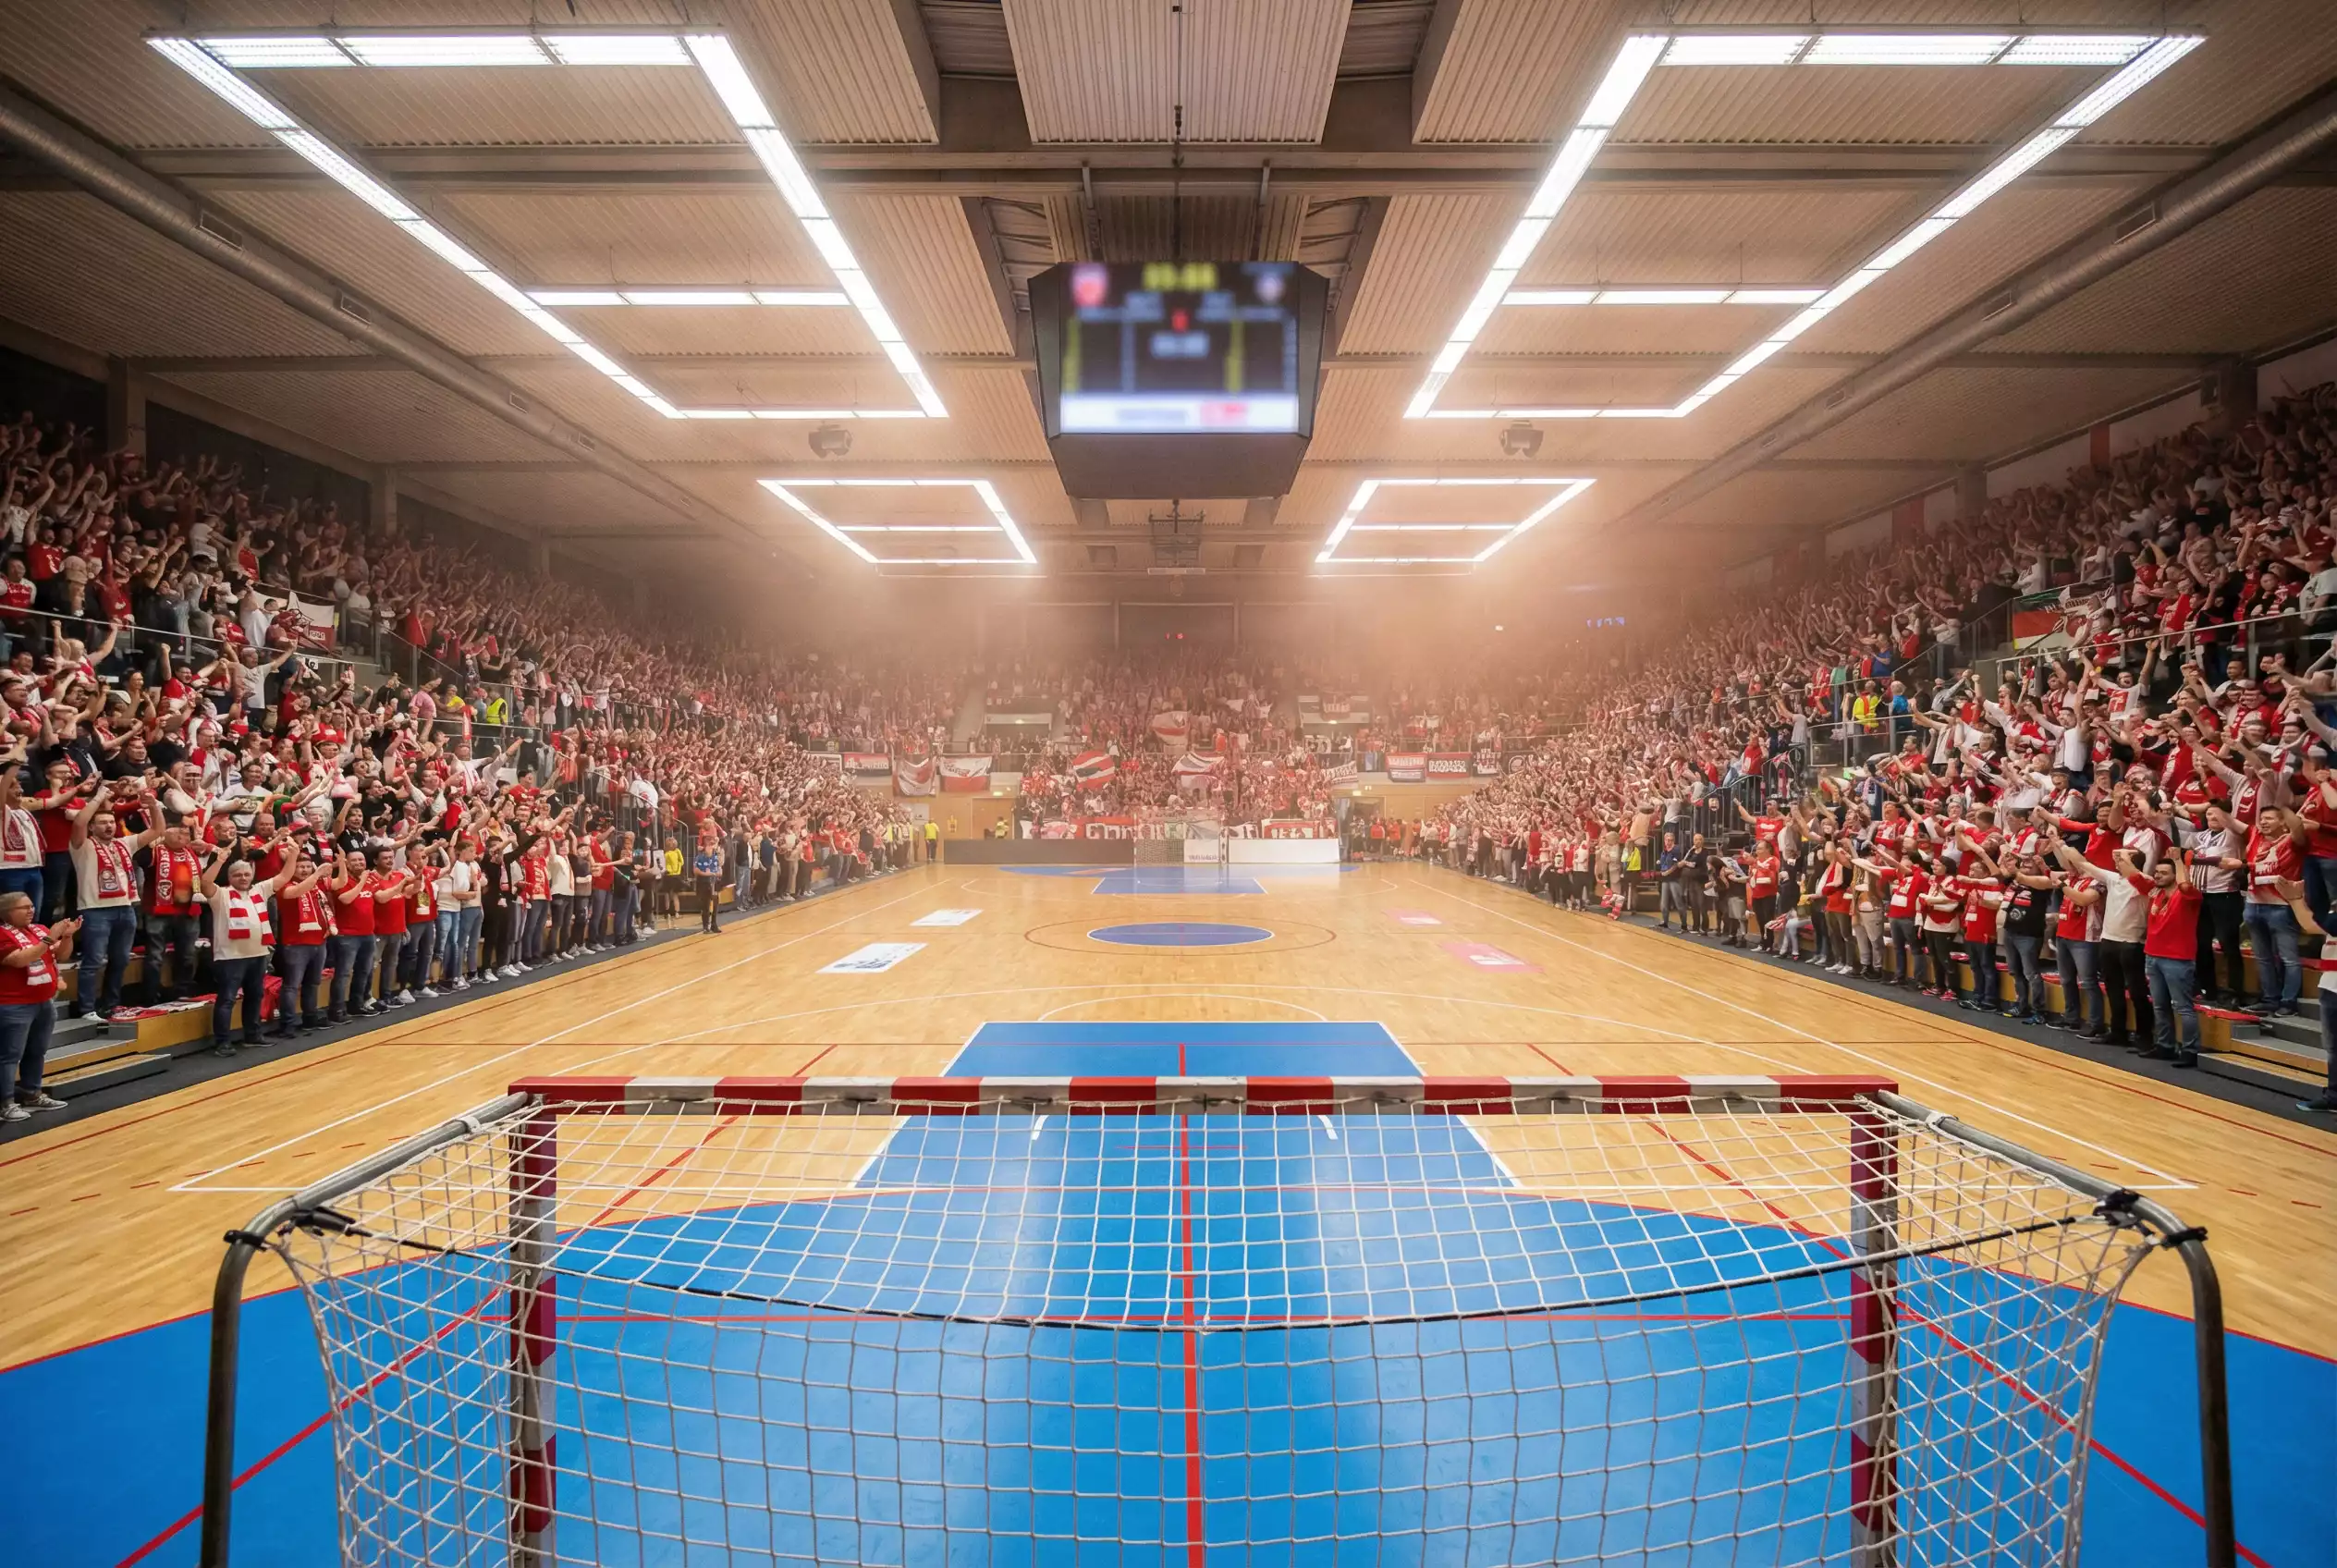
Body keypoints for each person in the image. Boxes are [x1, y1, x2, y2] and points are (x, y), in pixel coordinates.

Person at [0, 891, 76, 1120]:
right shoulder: (3, 934)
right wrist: (49, 939)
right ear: (7, 912)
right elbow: (19, 960)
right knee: (9, 1055)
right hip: (14, 1005)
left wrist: (68, 937)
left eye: (32, 906)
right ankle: (6, 1104)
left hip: (44, 1001)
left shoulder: (40, 930)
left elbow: (60, 956)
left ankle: (33, 1094)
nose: (31, 910)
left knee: (37, 1051)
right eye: (24, 908)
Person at [2136, 845, 2203, 1067]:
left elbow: (2185, 885)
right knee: (2159, 1005)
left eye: (2164, 873)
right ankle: (2165, 1046)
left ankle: (2190, 1050)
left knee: (2183, 1006)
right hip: (2153, 955)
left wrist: (2178, 861)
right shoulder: (2156, 894)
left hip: (2177, 959)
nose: (2158, 876)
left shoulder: (2188, 896)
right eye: (2156, 872)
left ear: (2176, 875)